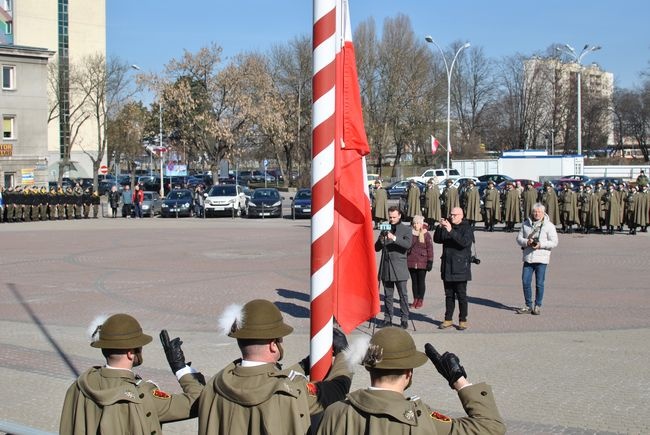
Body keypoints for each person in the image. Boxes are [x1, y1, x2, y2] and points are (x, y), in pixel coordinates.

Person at [197, 299, 353, 435]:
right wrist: (344, 353)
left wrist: (304, 365)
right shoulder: (289, 393)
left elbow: (265, 379)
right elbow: (337, 388)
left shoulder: (215, 385)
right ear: (273, 345)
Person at [315, 327, 506, 435]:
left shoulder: (335, 413)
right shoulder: (422, 419)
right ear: (409, 373)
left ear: (369, 367)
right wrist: (459, 380)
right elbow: (491, 427)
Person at [59, 313, 205, 434]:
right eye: (140, 346)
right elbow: (200, 401)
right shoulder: (142, 396)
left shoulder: (79, 386)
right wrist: (181, 368)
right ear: (130, 353)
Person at [433, 207, 474, 330]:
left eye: (455, 215)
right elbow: (437, 240)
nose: (452, 217)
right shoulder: (448, 226)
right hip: (447, 266)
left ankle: (463, 319)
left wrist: (451, 230)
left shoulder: (467, 228)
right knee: (449, 295)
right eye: (451, 214)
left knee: (461, 295)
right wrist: (440, 227)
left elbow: (463, 243)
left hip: (461, 267)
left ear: (461, 215)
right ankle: (448, 319)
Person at [516, 203, 558, 315]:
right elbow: (519, 238)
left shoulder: (549, 225)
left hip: (542, 259)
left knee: (539, 283)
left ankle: (538, 305)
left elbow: (554, 242)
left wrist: (540, 244)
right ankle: (528, 305)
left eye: (539, 212)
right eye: (535, 211)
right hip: (528, 258)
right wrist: (526, 242)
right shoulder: (526, 224)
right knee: (525, 282)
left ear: (543, 213)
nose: (536, 214)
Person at [375, 206, 413, 329]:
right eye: (390, 217)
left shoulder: (406, 229)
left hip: (399, 266)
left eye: (394, 217)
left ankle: (404, 319)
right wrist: (382, 240)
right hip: (386, 266)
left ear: (400, 216)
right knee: (388, 295)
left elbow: (407, 245)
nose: (391, 219)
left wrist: (394, 238)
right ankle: (387, 318)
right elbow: (376, 248)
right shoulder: (385, 227)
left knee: (403, 295)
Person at [407, 215, 434, 309]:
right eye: (414, 223)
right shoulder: (410, 232)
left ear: (421, 224)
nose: (415, 225)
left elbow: (430, 248)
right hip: (411, 260)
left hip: (422, 261)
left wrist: (430, 261)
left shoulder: (426, 234)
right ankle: (415, 299)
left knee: (421, 281)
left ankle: (420, 299)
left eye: (417, 223)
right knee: (414, 282)